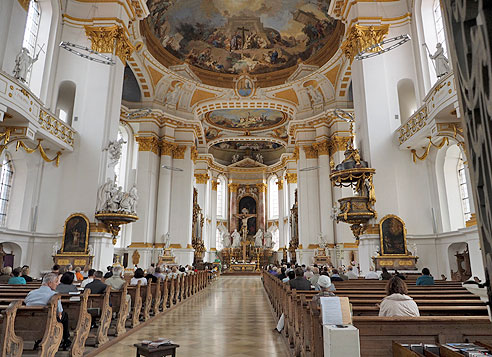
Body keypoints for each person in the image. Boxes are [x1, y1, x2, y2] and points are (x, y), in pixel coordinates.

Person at [25, 273, 71, 350]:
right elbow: (60, 311)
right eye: (56, 282)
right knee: (64, 315)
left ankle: (40, 339)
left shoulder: (31, 293)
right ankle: (66, 339)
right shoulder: (54, 295)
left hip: (32, 321)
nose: (58, 284)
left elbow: (26, 303)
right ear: (49, 283)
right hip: (48, 321)